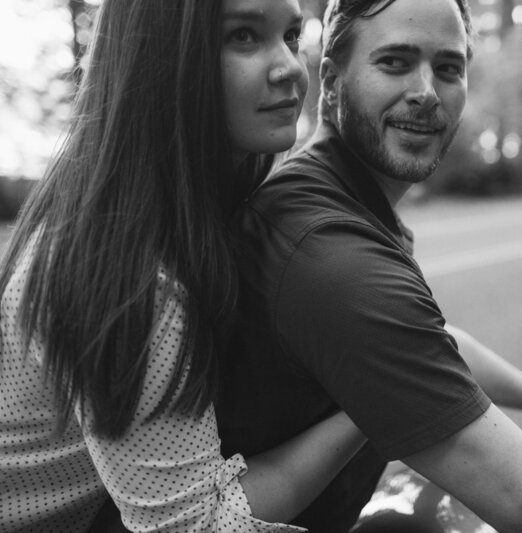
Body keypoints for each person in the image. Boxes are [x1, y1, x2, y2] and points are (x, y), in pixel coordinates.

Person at [220, 0, 522, 531]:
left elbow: (427, 343)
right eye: (395, 62)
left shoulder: (328, 197)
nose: (427, 93)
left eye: (448, 68)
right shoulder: (332, 258)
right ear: (332, 82)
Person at [0, 0, 368, 531]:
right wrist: (370, 408)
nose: (291, 65)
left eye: (291, 35)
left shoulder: (200, 210)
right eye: (242, 35)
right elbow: (194, 525)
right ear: (163, 60)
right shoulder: (128, 274)